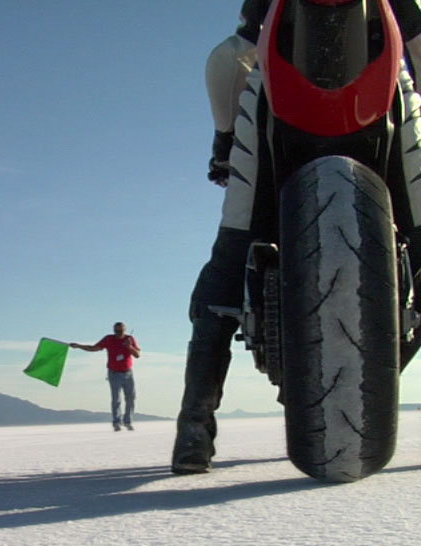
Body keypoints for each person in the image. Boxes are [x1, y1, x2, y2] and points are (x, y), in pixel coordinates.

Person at [172, 0, 421, 474]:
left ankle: (194, 428)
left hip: (277, 110)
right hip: (384, 102)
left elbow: (234, 54)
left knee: (233, 249)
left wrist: (223, 144)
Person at [70, 322, 141, 431]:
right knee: (116, 399)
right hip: (114, 373)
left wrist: (129, 346)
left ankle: (128, 422)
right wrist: (79, 346)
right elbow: (94, 348)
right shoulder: (109, 339)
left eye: (120, 331)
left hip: (128, 373)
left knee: (131, 398)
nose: (118, 333)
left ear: (124, 330)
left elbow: (137, 355)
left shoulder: (130, 339)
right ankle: (116, 422)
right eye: (116, 331)